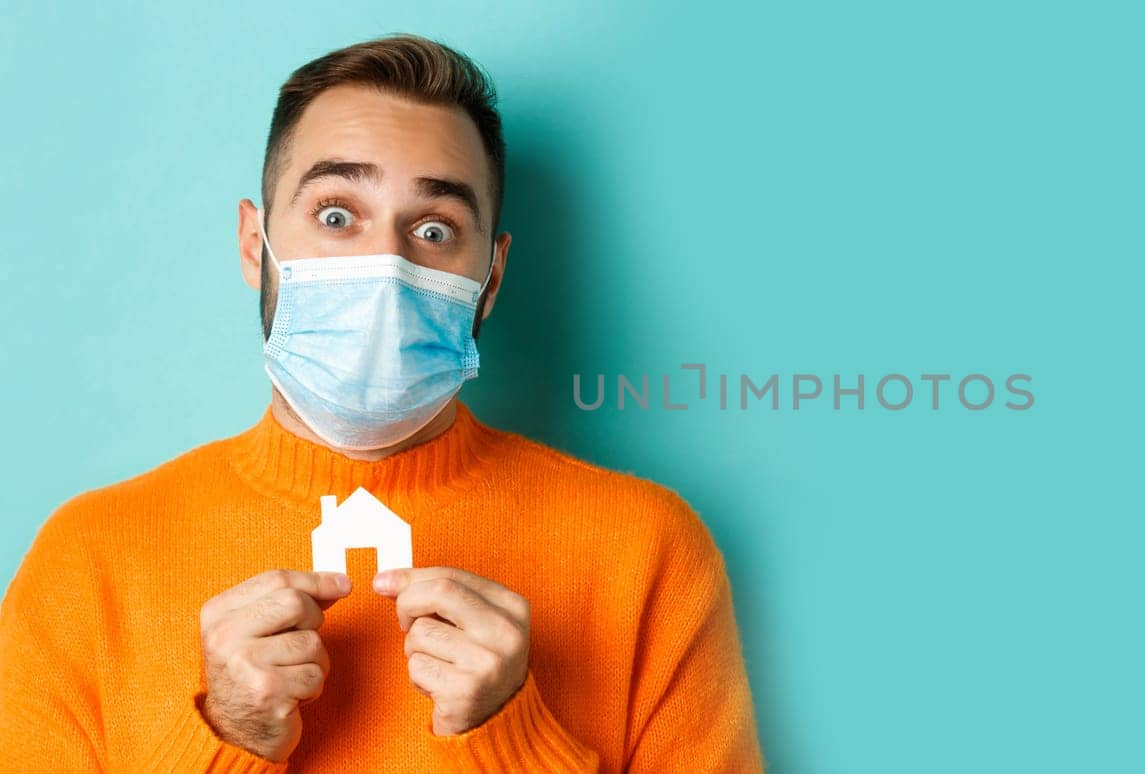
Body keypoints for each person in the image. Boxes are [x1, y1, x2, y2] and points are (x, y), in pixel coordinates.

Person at [0, 33, 764, 772]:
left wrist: (515, 744)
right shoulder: (86, 565)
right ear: (252, 243)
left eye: (434, 229)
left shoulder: (649, 555)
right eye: (337, 216)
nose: (386, 266)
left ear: (490, 280)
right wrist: (225, 739)